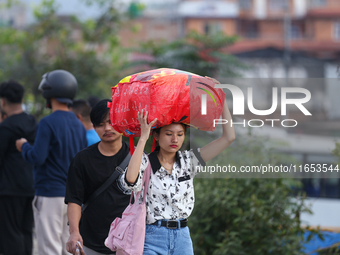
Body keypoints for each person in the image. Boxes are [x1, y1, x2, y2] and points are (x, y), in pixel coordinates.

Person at [120, 100, 235, 255]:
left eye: (180, 134)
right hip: (151, 236)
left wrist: (221, 99)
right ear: (156, 135)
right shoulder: (145, 162)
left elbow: (229, 138)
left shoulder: (189, 161)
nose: (175, 139)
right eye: (169, 134)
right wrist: (142, 138)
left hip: (182, 237)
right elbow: (130, 181)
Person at [16, 70, 87, 255]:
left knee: (49, 249)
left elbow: (37, 157)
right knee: (69, 249)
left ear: (49, 93)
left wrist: (23, 146)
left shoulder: (47, 123)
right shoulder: (79, 125)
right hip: (72, 199)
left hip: (49, 194)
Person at [65, 99, 131, 255]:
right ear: (93, 127)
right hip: (91, 243)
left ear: (122, 122)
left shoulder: (137, 157)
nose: (107, 128)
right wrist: (74, 232)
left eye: (111, 121)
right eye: (100, 124)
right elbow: (74, 199)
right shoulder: (82, 159)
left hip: (128, 243)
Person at [0, 80, 37, 255]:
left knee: (10, 233)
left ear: (2, 101)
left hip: (9, 189)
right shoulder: (33, 123)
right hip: (32, 186)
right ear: (22, 99)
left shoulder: (5, 127)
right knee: (26, 231)